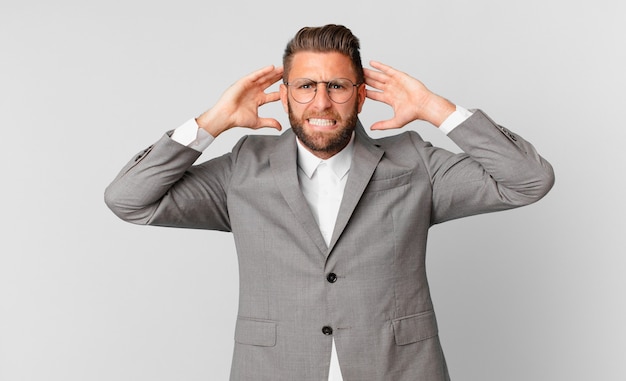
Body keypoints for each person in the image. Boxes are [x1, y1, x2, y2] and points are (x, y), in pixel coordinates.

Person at [105, 24, 554, 381]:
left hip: (399, 371)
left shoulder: (413, 162)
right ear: (284, 95)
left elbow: (528, 181)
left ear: (361, 95)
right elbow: (129, 200)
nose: (321, 102)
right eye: (305, 86)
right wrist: (212, 123)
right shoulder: (243, 169)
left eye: (338, 86)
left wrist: (437, 109)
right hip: (275, 371)